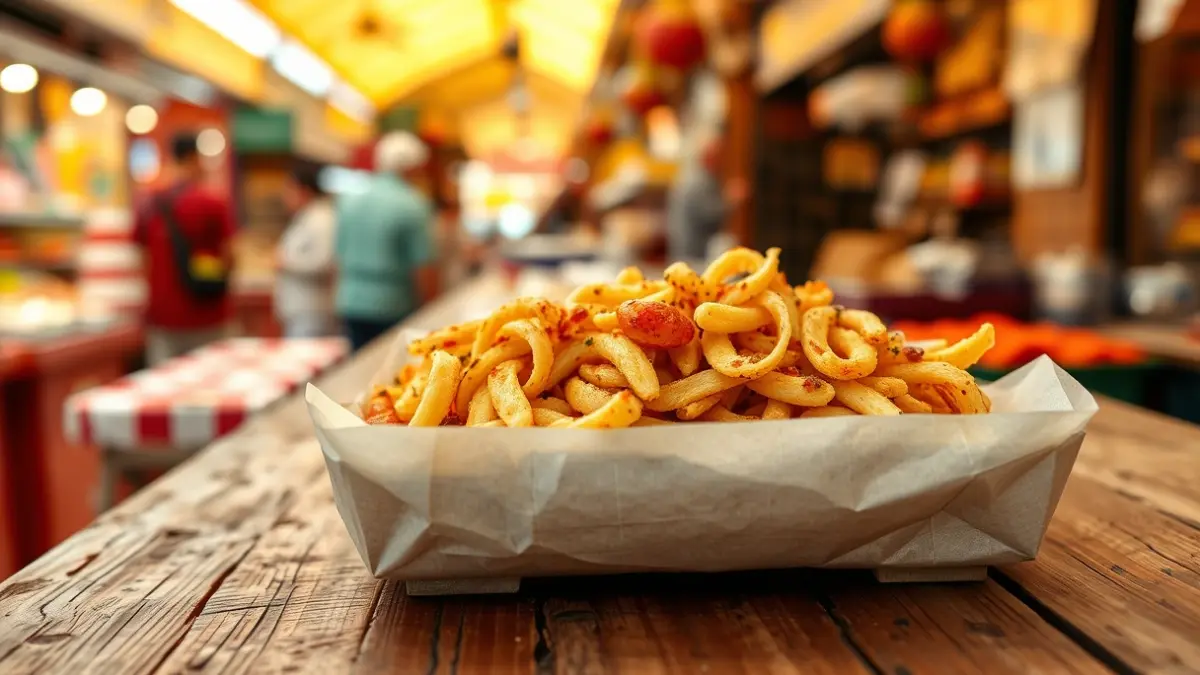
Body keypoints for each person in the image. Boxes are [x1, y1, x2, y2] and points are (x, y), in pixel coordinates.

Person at [133, 132, 235, 366]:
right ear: (195, 158)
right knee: (210, 382)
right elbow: (229, 255)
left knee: (163, 386)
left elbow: (142, 257)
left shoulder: (148, 203)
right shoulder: (212, 202)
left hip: (161, 314)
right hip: (206, 311)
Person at [335, 131, 438, 351]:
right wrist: (431, 312)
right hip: (393, 304)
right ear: (411, 167)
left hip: (350, 300)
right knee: (390, 372)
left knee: (358, 367)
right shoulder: (413, 204)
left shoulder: (349, 200)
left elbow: (339, 255)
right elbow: (423, 267)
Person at [275, 161, 337, 338]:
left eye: (289, 190)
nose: (285, 197)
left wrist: (285, 262)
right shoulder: (305, 217)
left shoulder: (322, 220)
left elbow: (324, 262)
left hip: (312, 311)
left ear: (304, 191)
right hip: (300, 310)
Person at [666, 133, 746, 266]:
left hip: (686, 252)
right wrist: (731, 200)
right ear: (710, 157)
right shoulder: (699, 181)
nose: (723, 160)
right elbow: (709, 215)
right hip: (694, 256)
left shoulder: (694, 176)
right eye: (720, 155)